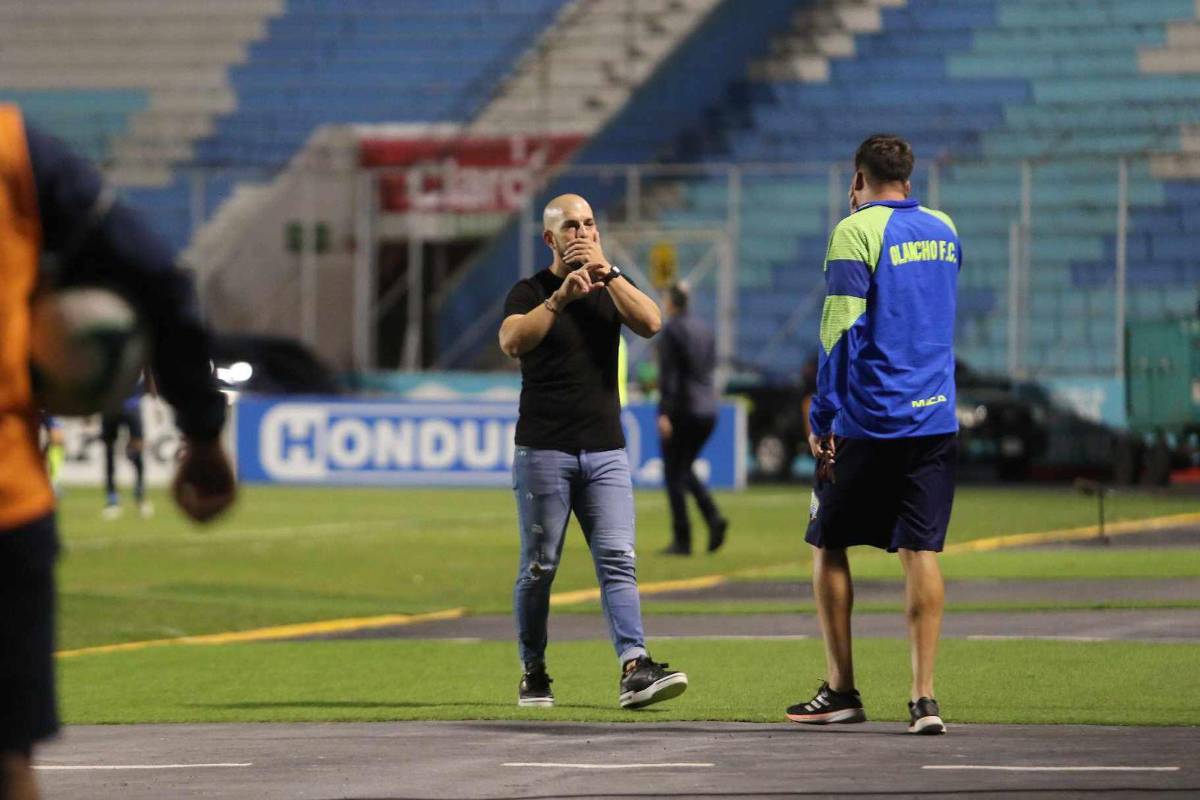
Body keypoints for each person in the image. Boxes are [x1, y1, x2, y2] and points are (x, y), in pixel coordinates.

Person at [0, 105, 236, 800]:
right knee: (5, 761)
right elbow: (158, 277)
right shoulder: (16, 149)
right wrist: (199, 428)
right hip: (4, 504)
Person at [785, 134, 960, 735]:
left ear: (857, 178)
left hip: (870, 419)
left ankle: (841, 690)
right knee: (922, 551)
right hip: (935, 417)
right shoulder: (945, 228)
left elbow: (838, 331)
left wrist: (823, 417)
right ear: (908, 179)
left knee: (828, 541)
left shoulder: (854, 230)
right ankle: (924, 699)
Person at [498, 193, 688, 710]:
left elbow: (651, 323)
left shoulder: (611, 286)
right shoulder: (531, 290)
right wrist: (559, 300)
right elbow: (513, 341)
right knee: (539, 567)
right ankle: (533, 669)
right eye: (570, 227)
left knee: (618, 561)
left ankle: (634, 665)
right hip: (544, 450)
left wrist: (610, 275)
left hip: (605, 450)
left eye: (588, 224)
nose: (581, 234)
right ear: (550, 239)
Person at [657, 283, 728, 555]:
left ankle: (682, 538)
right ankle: (713, 518)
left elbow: (671, 377)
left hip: (683, 409)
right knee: (683, 468)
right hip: (708, 408)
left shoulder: (672, 330)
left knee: (674, 472)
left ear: (671, 303)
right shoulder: (704, 330)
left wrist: (664, 412)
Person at [99, 375, 151, 519]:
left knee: (137, 450)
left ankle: (140, 496)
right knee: (109, 452)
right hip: (110, 406)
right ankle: (112, 500)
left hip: (132, 405)